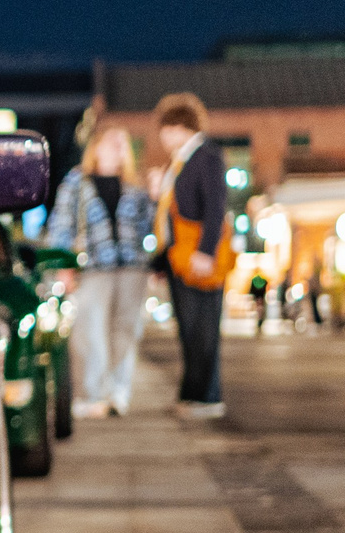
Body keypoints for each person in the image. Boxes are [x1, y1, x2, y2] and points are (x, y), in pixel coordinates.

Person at [46, 123, 154, 417]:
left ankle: (117, 391)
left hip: (131, 267)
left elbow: (149, 226)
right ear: (97, 146)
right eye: (112, 141)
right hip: (92, 266)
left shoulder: (135, 186)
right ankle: (91, 393)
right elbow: (61, 224)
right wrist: (63, 266)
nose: (119, 147)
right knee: (90, 330)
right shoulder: (77, 182)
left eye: (123, 143)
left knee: (126, 330)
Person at [151, 93, 230, 420]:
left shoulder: (207, 157)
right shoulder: (180, 162)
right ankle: (191, 394)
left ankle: (207, 397)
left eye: (166, 128)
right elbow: (169, 216)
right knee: (187, 328)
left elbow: (216, 208)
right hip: (177, 257)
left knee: (203, 328)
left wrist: (206, 251)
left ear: (180, 126)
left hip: (198, 255)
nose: (162, 136)